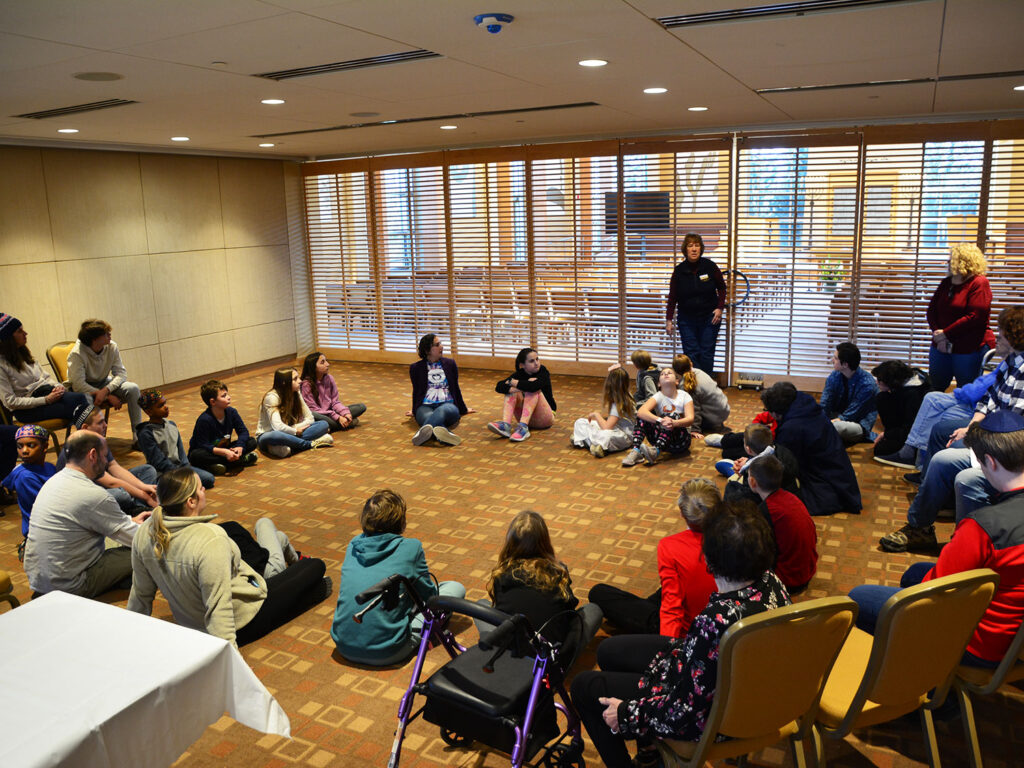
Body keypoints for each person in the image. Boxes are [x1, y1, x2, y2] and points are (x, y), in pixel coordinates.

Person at [570, 501, 790, 768]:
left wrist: (628, 713)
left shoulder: (715, 620)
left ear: (709, 559)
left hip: (717, 718)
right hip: (743, 689)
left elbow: (685, 712)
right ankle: (649, 751)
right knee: (609, 651)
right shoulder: (772, 582)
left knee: (583, 687)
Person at [853, 411, 1024, 668]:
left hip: (983, 644)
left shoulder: (983, 526)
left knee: (859, 597)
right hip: (1016, 630)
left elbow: (934, 593)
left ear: (990, 461)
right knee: (914, 572)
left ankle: (915, 676)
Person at [127, 468, 329, 648]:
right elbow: (218, 607)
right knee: (314, 566)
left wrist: (129, 637)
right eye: (200, 488)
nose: (204, 490)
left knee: (274, 551)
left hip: (192, 625)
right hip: (243, 621)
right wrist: (229, 661)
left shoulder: (145, 532)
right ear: (191, 501)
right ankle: (311, 593)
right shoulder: (210, 538)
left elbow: (140, 595)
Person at [879, 306, 1024, 552]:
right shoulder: (1010, 363)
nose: (996, 337)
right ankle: (919, 528)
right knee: (941, 459)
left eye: (1001, 333)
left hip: (1010, 454)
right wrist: (971, 425)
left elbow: (1013, 426)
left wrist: (975, 436)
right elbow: (988, 400)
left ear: (1015, 338)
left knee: (966, 478)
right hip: (994, 440)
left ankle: (969, 547)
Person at [331, 489, 466, 665]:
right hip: (388, 651)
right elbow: (430, 598)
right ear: (401, 521)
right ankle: (424, 634)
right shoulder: (411, 547)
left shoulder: (353, 545)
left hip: (343, 645)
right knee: (455, 589)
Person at [24, 430, 150, 598]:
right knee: (149, 550)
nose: (106, 462)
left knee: (116, 540)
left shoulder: (53, 481)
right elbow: (138, 539)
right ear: (93, 455)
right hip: (72, 584)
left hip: (40, 580)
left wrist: (130, 521)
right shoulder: (93, 495)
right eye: (104, 456)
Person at [589, 479, 718, 637]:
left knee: (598, 593)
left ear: (682, 513)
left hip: (689, 629)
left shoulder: (671, 546)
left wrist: (666, 646)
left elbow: (672, 607)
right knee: (659, 595)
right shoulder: (738, 534)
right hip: (725, 621)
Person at [477, 510, 602, 662]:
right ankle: (564, 663)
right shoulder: (558, 571)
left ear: (509, 543)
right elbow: (569, 612)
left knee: (481, 605)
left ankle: (494, 654)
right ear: (545, 541)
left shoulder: (501, 573)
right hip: (550, 657)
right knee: (593, 610)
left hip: (511, 653)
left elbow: (501, 608)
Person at [762, 382, 862, 516]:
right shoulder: (807, 407)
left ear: (775, 413)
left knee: (772, 498)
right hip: (841, 479)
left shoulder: (792, 428)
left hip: (826, 487)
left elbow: (784, 463)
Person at [56, 406, 158, 514]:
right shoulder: (81, 449)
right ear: (85, 427)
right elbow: (111, 483)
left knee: (147, 470)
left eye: (104, 421)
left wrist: (143, 486)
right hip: (85, 497)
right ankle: (137, 506)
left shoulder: (96, 440)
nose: (106, 425)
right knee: (121, 495)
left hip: (103, 487)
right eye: (100, 423)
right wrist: (145, 496)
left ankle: (138, 507)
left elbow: (114, 467)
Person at [926, 242, 995, 392]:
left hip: (969, 346)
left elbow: (975, 316)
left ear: (963, 261)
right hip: (941, 344)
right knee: (935, 387)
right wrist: (939, 336)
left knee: (966, 389)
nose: (948, 262)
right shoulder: (946, 283)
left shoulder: (979, 283)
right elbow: (931, 311)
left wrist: (946, 334)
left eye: (952, 258)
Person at [0, 314, 90, 425]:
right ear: (8, 338)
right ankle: (88, 434)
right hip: (27, 409)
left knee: (80, 399)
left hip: (46, 393)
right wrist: (46, 400)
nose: (25, 333)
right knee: (75, 405)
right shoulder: (2, 365)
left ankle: (88, 434)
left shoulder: (23, 354)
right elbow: (10, 402)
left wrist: (58, 387)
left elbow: (45, 377)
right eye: (19, 331)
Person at [747, 455, 818, 594]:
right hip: (808, 569)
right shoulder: (791, 497)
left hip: (788, 579)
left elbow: (760, 550)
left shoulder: (766, 511)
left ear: (752, 481)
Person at [66, 319, 143, 443]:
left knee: (133, 388)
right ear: (94, 339)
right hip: (83, 389)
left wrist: (106, 390)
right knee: (86, 400)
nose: (110, 335)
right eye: (106, 334)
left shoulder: (112, 346)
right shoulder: (76, 353)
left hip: (103, 383)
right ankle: (91, 440)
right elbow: (78, 385)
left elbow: (121, 373)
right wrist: (107, 396)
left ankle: (138, 436)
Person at [664, 233, 726, 376]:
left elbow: (722, 288)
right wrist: (669, 320)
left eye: (697, 245)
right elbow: (672, 297)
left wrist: (720, 308)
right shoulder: (679, 271)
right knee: (691, 353)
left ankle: (706, 384)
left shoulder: (710, 266)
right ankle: (694, 384)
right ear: (685, 249)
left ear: (701, 248)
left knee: (706, 353)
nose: (694, 249)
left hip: (709, 318)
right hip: (687, 319)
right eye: (690, 246)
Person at [135, 389, 216, 489]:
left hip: (180, 468)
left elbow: (181, 453)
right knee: (180, 485)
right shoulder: (146, 433)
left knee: (209, 478)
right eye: (160, 406)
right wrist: (181, 473)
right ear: (149, 412)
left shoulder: (171, 424)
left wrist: (187, 469)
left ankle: (186, 485)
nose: (166, 407)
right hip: (162, 472)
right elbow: (158, 461)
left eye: (165, 403)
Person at [1, 425, 56, 560]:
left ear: (45, 446)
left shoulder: (49, 467)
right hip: (42, 531)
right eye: (20, 446)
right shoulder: (25, 477)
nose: (24, 451)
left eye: (31, 445)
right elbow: (46, 509)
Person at [408, 333, 472, 447]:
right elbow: (416, 391)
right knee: (428, 417)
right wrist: (414, 410)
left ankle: (419, 435)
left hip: (448, 404)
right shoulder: (416, 368)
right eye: (437, 345)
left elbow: (456, 388)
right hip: (425, 406)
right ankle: (447, 436)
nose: (441, 346)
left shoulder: (450, 364)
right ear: (427, 350)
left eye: (440, 343)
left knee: (441, 411)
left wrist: (464, 409)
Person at [622, 367, 694, 467]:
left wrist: (673, 423)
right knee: (643, 417)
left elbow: (690, 419)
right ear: (659, 384)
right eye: (662, 374)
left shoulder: (684, 395)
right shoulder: (658, 396)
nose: (666, 374)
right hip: (660, 438)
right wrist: (660, 420)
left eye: (669, 373)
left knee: (672, 415)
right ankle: (636, 451)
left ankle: (656, 451)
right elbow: (641, 412)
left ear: (677, 381)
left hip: (680, 441)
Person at [255, 367, 333, 458]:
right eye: (295, 379)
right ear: (284, 383)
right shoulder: (272, 397)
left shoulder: (296, 392)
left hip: (289, 431)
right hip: (269, 434)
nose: (300, 381)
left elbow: (310, 418)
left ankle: (284, 446)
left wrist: (295, 428)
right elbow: (277, 427)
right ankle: (309, 444)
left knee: (323, 424)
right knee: (276, 435)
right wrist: (295, 431)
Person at [187, 379, 259, 475]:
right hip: (210, 451)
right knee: (195, 456)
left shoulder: (232, 412)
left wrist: (239, 446)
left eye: (227, 394)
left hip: (225, 448)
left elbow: (243, 432)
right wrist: (224, 452)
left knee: (252, 441)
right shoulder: (204, 420)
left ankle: (221, 464)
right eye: (224, 396)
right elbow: (203, 445)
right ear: (213, 402)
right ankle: (239, 461)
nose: (229, 397)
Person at [718, 423, 800, 505]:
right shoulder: (782, 450)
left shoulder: (756, 472)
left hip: (763, 502)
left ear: (748, 449)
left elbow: (750, 493)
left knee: (730, 485)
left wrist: (745, 471)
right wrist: (748, 461)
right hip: (790, 490)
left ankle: (731, 472)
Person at [488, 347, 557, 443]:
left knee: (533, 390)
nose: (536, 363)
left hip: (545, 418)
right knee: (512, 391)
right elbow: (499, 386)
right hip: (526, 417)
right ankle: (506, 425)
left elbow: (534, 386)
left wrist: (515, 383)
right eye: (531, 361)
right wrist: (519, 386)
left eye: (537, 359)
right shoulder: (520, 374)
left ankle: (523, 428)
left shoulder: (543, 371)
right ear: (522, 365)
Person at [869, 360, 932, 464]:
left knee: (880, 450)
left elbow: (909, 428)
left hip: (913, 438)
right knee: (882, 397)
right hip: (902, 429)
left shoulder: (914, 396)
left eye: (880, 380)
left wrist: (887, 434)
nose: (877, 383)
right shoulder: (909, 383)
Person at [820, 341, 878, 445]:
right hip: (834, 418)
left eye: (835, 358)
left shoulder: (867, 384)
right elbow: (825, 402)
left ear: (845, 364)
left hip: (856, 424)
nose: (832, 360)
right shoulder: (835, 375)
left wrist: (825, 423)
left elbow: (851, 414)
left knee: (836, 427)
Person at [572, 364, 635, 458]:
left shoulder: (618, 404)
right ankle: (590, 443)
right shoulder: (627, 395)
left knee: (605, 435)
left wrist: (596, 415)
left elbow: (606, 427)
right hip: (617, 430)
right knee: (580, 422)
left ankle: (586, 441)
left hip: (623, 437)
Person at [299, 351, 366, 432]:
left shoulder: (329, 378)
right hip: (320, 415)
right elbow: (313, 409)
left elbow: (335, 401)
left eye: (326, 361)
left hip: (331, 412)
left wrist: (345, 413)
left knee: (361, 407)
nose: (327, 364)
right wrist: (337, 417)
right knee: (315, 415)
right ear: (313, 367)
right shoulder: (306, 384)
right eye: (322, 362)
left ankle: (336, 425)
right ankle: (346, 423)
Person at [671, 354, 730, 438]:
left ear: (675, 371)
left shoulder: (687, 385)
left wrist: (694, 430)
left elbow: (694, 409)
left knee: (681, 414)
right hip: (723, 409)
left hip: (715, 417)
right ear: (691, 364)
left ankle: (709, 425)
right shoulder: (699, 372)